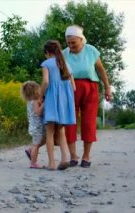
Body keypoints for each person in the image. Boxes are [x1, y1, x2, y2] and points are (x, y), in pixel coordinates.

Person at [62, 25, 112, 168]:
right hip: (70, 88)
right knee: (70, 121)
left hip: (90, 87)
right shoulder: (64, 54)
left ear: (81, 39)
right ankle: (73, 156)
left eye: (74, 42)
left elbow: (101, 70)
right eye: (68, 43)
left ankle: (86, 156)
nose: (71, 45)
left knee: (88, 122)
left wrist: (107, 88)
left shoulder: (91, 51)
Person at [41, 40, 76, 170]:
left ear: (47, 53)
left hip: (51, 100)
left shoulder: (46, 64)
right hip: (64, 102)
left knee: (50, 132)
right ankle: (65, 159)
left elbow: (45, 82)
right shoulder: (65, 64)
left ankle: (51, 163)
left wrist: (40, 94)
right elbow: (74, 87)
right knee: (61, 131)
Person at [21, 81, 46, 169]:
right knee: (36, 144)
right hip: (37, 127)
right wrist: (43, 104)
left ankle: (31, 151)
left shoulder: (30, 101)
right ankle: (33, 163)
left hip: (34, 126)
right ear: (35, 92)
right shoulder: (35, 101)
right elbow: (38, 112)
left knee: (40, 141)